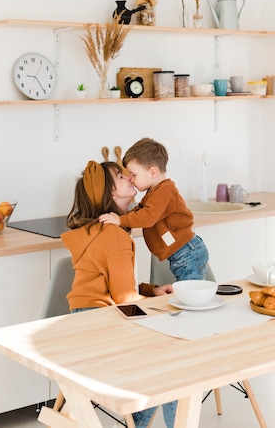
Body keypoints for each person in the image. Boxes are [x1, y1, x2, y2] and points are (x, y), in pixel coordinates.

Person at [61, 159, 176, 428]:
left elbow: (116, 287)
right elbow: (125, 301)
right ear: (110, 193)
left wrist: (150, 291)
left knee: (166, 354)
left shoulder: (98, 230)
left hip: (81, 322)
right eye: (122, 176)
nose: (129, 178)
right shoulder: (113, 235)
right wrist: (162, 309)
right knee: (172, 360)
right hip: (100, 325)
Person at [99, 138, 209, 281]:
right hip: (182, 253)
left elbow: (147, 217)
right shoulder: (154, 191)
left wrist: (121, 220)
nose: (130, 179)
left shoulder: (164, 191)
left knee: (191, 295)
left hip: (188, 252)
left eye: (134, 175)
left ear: (153, 172)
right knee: (188, 294)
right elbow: (140, 209)